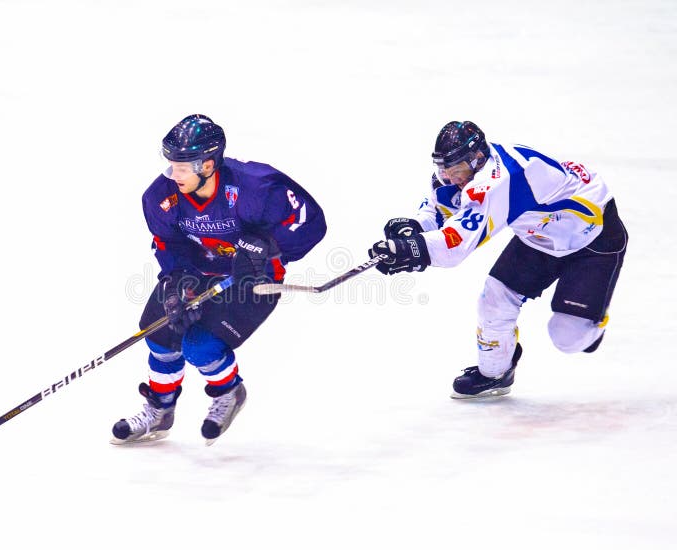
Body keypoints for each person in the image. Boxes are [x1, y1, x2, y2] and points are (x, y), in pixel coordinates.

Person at [369, 121, 628, 398]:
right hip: (539, 236)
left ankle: (593, 319)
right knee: (495, 299)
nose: (449, 177)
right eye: (444, 169)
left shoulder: (500, 182)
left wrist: (412, 249)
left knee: (568, 338)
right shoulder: (459, 174)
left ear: (477, 159)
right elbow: (441, 211)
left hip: (593, 237)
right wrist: (414, 229)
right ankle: (495, 372)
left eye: (456, 170)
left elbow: (455, 246)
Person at [112, 114, 326, 444]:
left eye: (183, 167)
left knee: (200, 346)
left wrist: (269, 245)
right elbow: (167, 242)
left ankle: (229, 392)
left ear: (209, 165)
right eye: (172, 165)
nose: (174, 174)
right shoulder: (160, 197)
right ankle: (160, 410)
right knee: (159, 334)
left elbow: (310, 222)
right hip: (198, 272)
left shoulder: (257, 187)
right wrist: (177, 280)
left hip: (252, 279)